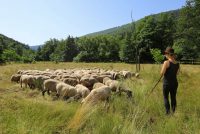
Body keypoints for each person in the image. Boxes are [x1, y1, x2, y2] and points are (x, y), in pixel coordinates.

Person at [160, 47, 179, 115]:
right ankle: (173, 113)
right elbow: (177, 73)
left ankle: (167, 113)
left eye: (165, 53)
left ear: (168, 54)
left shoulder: (166, 62)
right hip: (175, 83)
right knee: (173, 97)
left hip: (167, 83)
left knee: (166, 97)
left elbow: (162, 73)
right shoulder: (177, 63)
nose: (165, 55)